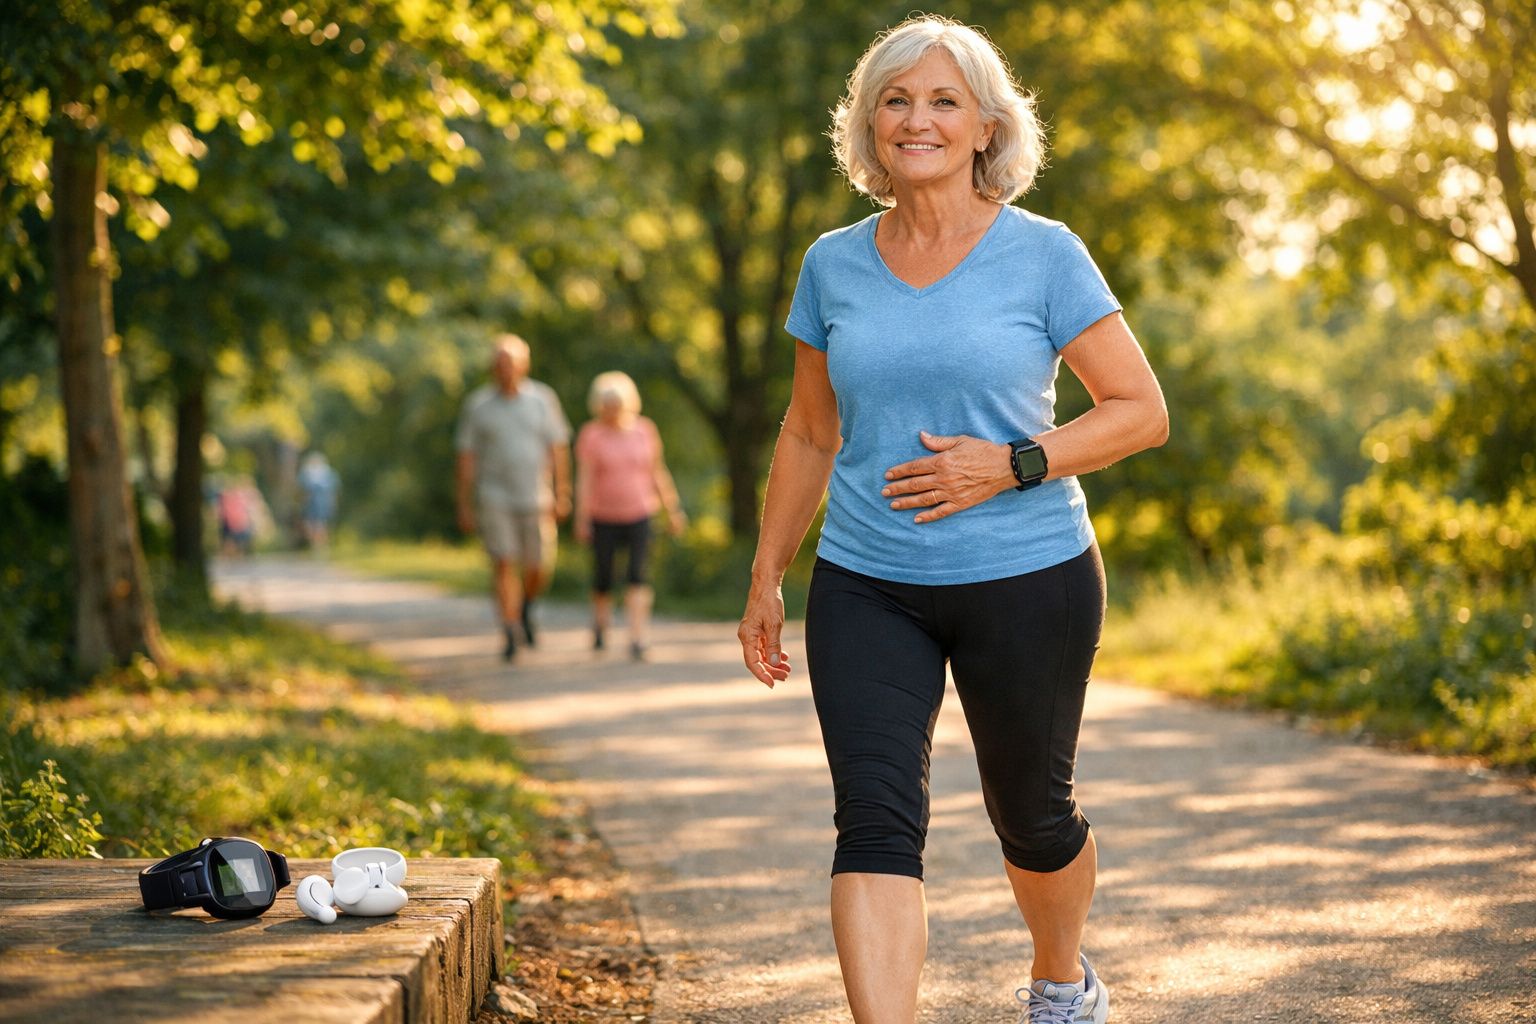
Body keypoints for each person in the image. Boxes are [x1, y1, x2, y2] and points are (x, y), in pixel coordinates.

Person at [736, 15, 1168, 1024]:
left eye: (942, 101)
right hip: (868, 581)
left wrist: (1012, 464)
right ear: (869, 126)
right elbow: (808, 431)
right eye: (895, 99)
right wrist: (767, 570)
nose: (916, 118)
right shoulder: (832, 266)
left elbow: (1140, 411)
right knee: (875, 820)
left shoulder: (1044, 256)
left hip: (1030, 576)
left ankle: (1061, 973)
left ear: (985, 127)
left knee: (1033, 813)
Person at [456, 333, 572, 661]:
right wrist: (464, 503)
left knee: (538, 564)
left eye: (511, 362)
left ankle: (526, 606)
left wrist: (562, 491)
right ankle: (509, 629)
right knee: (503, 561)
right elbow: (466, 458)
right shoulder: (478, 406)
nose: (505, 368)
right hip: (494, 495)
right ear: (492, 367)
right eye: (500, 362)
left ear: (524, 364)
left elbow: (558, 449)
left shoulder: (542, 400)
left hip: (537, 496)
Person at [573, 371, 686, 660]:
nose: (612, 412)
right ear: (599, 406)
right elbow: (584, 479)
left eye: (617, 405)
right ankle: (600, 626)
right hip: (603, 515)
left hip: (640, 513)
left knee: (638, 575)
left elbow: (657, 471)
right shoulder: (591, 434)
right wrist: (581, 518)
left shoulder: (644, 430)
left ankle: (638, 636)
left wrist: (671, 509)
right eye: (606, 406)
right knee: (604, 575)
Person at [298, 450, 340, 551]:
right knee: (310, 525)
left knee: (321, 524)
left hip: (323, 502)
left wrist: (332, 502)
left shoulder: (328, 473)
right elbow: (301, 490)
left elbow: (333, 490)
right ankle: (315, 544)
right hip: (309, 503)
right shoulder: (306, 473)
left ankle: (321, 547)